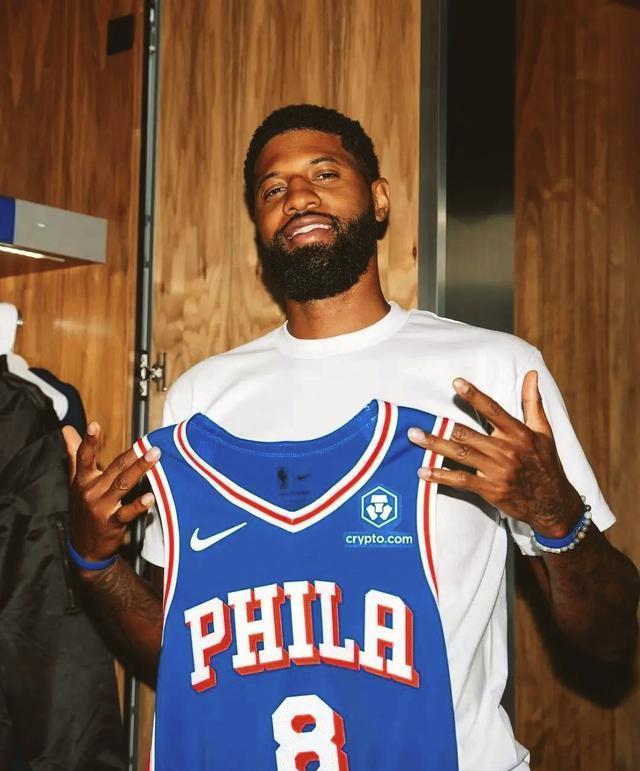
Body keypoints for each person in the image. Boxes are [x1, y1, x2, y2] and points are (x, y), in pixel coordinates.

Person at [64, 105, 639, 771]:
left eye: (324, 173)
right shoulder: (203, 395)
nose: (297, 196)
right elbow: (183, 653)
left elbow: (609, 637)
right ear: (259, 225)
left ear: (379, 199)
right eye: (272, 188)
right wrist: (93, 561)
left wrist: (557, 513)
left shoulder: (491, 372)